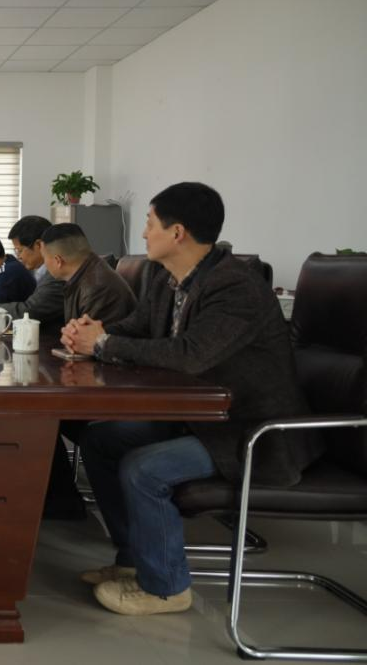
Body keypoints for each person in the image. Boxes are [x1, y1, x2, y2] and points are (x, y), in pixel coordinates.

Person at [61, 182, 323, 616]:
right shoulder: (167, 279)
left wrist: (103, 344)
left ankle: (167, 588)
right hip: (201, 419)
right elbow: (137, 326)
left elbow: (190, 354)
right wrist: (89, 332)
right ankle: (134, 561)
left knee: (144, 468)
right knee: (102, 440)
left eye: (149, 224)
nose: (143, 234)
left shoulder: (235, 286)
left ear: (177, 232)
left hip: (250, 431)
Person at [0, 217, 64, 331]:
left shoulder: (12, 270)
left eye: (19, 250)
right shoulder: (0, 270)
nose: (19, 256)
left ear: (39, 245)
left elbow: (29, 311)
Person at [42, 223, 136, 324]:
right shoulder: (89, 271)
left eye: (44, 257)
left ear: (58, 261)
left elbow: (88, 334)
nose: (44, 263)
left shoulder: (97, 288)